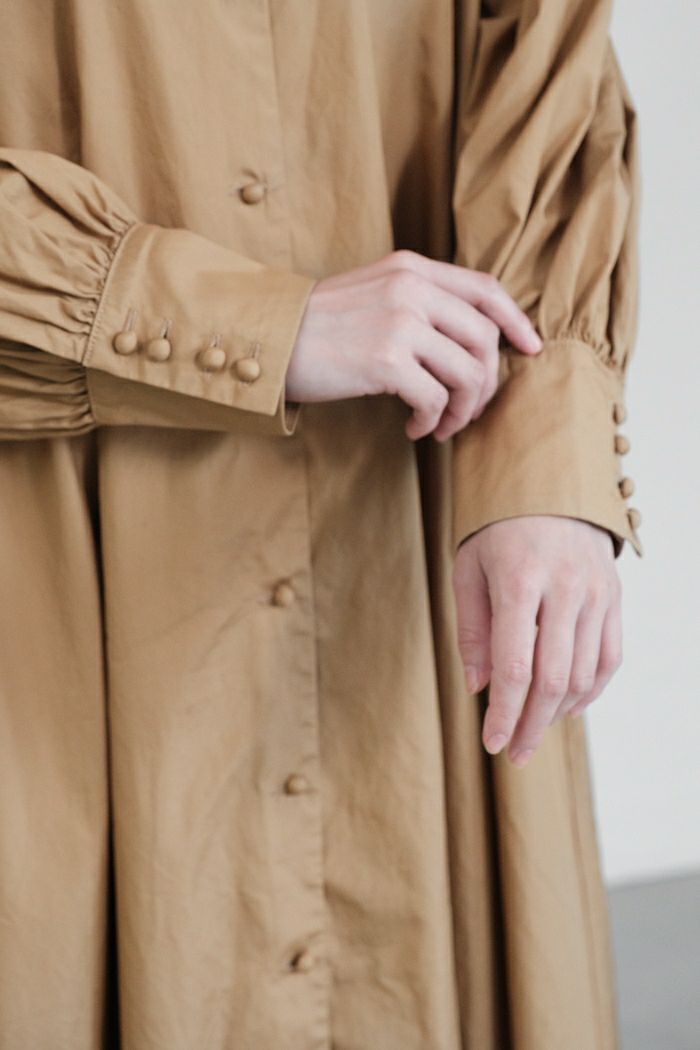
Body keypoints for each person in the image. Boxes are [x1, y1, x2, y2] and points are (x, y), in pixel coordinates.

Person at [0, 0, 641, 1047]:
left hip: (424, 532)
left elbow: (549, 63)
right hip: (60, 584)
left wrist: (544, 449)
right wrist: (252, 326)